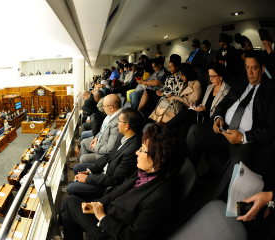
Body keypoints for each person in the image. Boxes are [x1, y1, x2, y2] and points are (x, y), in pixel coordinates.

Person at [59, 123, 184, 240]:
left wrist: (102, 218)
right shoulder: (146, 173)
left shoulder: (162, 197)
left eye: (142, 150)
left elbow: (130, 236)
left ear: (158, 160)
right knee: (67, 212)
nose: (137, 152)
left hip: (111, 230)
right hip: (109, 215)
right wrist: (97, 204)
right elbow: (118, 191)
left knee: (68, 202)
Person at [186, 50, 275, 200]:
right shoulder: (240, 83)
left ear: (262, 67)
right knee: (195, 131)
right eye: (247, 67)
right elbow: (222, 104)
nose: (250, 72)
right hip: (224, 131)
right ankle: (186, 179)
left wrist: (242, 137)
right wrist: (217, 118)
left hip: (244, 141)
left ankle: (216, 208)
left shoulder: (271, 90)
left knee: (237, 165)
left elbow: (270, 130)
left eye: (254, 68)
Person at [67, 108, 143, 201]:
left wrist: (87, 179)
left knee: (71, 188)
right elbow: (109, 156)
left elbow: (114, 180)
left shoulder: (133, 149)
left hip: (107, 185)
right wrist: (90, 171)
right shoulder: (122, 136)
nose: (117, 123)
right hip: (105, 172)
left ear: (127, 126)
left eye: (119, 121)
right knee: (77, 168)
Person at [168, 62, 231, 133]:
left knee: (185, 113)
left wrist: (205, 110)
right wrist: (199, 107)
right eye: (209, 76)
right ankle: (163, 132)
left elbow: (221, 112)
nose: (210, 79)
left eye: (213, 76)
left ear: (220, 76)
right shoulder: (210, 87)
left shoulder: (226, 90)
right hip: (200, 115)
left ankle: (163, 128)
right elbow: (204, 104)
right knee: (182, 128)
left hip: (210, 119)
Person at [79, 94, 122, 164]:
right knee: (84, 142)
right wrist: (96, 137)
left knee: (83, 158)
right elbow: (102, 130)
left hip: (104, 153)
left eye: (104, 106)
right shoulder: (109, 115)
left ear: (112, 108)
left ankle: (88, 170)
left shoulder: (118, 122)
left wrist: (96, 146)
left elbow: (109, 149)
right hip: (100, 142)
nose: (103, 108)